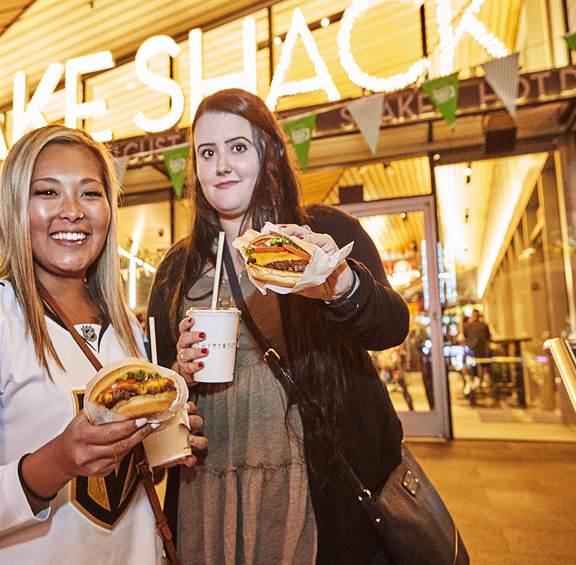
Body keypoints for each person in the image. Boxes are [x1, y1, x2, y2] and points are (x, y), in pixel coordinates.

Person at [0, 125, 207, 564]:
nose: (72, 211)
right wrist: (57, 461)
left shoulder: (127, 324)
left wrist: (162, 439)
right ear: (15, 206)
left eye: (90, 193)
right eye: (47, 192)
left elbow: (117, 493)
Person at [147, 88, 410, 564]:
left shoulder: (327, 233)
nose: (222, 164)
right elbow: (158, 387)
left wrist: (338, 283)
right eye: (208, 153)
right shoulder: (176, 269)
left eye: (238, 147)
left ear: (268, 155)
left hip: (312, 481)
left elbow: (391, 327)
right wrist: (176, 375)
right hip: (208, 485)